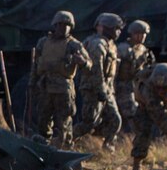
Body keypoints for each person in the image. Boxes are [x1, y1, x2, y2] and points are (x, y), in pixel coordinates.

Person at [31, 10, 91, 148]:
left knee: (64, 123)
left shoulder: (74, 45)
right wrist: (32, 82)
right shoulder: (43, 42)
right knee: (43, 121)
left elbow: (89, 65)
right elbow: (36, 65)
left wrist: (82, 62)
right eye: (60, 25)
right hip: (45, 87)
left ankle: (66, 151)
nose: (63, 28)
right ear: (55, 25)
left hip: (64, 89)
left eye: (67, 25)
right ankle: (43, 149)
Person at [74, 12, 124, 150]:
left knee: (115, 120)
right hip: (93, 89)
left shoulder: (111, 45)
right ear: (105, 28)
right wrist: (101, 90)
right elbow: (97, 70)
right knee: (89, 123)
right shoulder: (98, 44)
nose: (118, 32)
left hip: (106, 89)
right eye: (115, 28)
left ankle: (107, 147)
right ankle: (66, 140)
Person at [115, 20, 154, 134]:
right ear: (132, 34)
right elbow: (115, 70)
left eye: (144, 34)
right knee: (128, 112)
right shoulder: (122, 49)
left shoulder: (143, 50)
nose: (142, 37)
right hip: (123, 85)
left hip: (137, 85)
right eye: (139, 34)